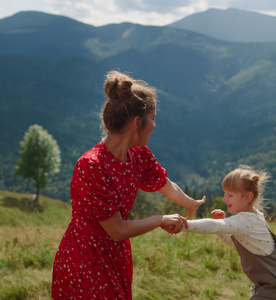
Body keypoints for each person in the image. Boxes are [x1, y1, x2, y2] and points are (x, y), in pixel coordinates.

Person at [51, 70, 205, 299]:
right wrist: (161, 219)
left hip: (115, 256)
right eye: (152, 118)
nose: (154, 125)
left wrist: (190, 203)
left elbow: (163, 182)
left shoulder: (139, 153)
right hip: (86, 261)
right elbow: (117, 230)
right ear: (136, 123)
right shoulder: (91, 166)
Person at [184, 165, 276, 299]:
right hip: (272, 284)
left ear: (248, 196)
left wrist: (183, 224)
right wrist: (222, 229)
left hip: (275, 288)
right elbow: (233, 240)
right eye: (225, 194)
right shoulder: (253, 216)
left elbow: (213, 225)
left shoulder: (247, 220)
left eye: (230, 195)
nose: (224, 199)